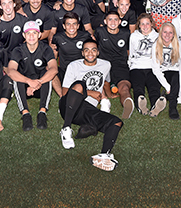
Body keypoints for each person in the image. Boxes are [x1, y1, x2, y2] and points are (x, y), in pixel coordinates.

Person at [59, 39, 123, 171]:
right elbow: (65, 92)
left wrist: (107, 95)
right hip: (69, 105)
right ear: (82, 53)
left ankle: (104, 155)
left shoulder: (106, 65)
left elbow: (105, 81)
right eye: (87, 50)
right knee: (79, 84)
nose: (90, 53)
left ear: (98, 52)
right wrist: (89, 92)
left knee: (116, 122)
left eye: (93, 49)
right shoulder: (74, 66)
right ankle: (66, 129)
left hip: (88, 110)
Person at [6, 21, 58, 131]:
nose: (31, 36)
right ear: (23, 35)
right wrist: (29, 81)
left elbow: (54, 69)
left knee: (47, 73)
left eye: (34, 33)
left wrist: (37, 83)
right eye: (28, 33)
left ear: (39, 35)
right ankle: (25, 113)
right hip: (24, 88)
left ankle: (42, 112)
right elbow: (10, 71)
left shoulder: (45, 48)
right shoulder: (18, 50)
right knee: (16, 77)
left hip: (40, 86)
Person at [94, 11, 134, 119]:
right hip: (103, 65)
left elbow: (129, 50)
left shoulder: (126, 33)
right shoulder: (99, 32)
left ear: (120, 21)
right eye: (110, 19)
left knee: (124, 87)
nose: (113, 22)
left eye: (116, 19)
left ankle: (127, 104)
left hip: (120, 64)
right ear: (105, 21)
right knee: (97, 83)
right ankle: (105, 99)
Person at [128, 13, 163, 116]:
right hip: (137, 66)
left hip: (152, 67)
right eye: (142, 24)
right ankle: (141, 104)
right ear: (138, 25)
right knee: (138, 86)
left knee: (154, 86)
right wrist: (131, 65)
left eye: (147, 23)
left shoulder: (157, 36)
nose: (145, 26)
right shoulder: (134, 36)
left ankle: (155, 104)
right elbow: (132, 52)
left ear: (152, 24)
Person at [50, 12, 93, 96]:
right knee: (50, 72)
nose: (71, 27)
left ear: (78, 26)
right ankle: (62, 96)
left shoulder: (85, 36)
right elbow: (54, 56)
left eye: (74, 24)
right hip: (65, 71)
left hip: (81, 71)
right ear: (64, 26)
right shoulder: (57, 38)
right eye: (68, 24)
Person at [151, 22, 181, 120]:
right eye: (165, 32)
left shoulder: (179, 44)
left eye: (170, 32)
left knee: (176, 77)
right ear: (160, 33)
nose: (167, 35)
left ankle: (172, 107)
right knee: (154, 81)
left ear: (174, 34)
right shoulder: (155, 45)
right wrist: (167, 86)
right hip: (162, 71)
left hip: (175, 71)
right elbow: (155, 69)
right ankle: (157, 102)